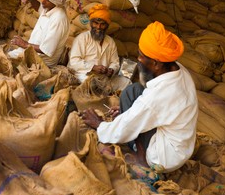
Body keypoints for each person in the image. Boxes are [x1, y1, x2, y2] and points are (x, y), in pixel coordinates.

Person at [82, 21, 198, 173]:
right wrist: (130, 110)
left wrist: (100, 125)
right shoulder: (178, 70)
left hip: (163, 158)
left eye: (141, 56)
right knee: (133, 91)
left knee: (132, 111)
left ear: (156, 64)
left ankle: (142, 157)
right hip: (181, 147)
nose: (138, 59)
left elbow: (127, 126)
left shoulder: (159, 95)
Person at [67, 4, 130, 91]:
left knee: (126, 82)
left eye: (102, 24)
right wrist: (93, 67)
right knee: (92, 84)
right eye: (95, 23)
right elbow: (74, 62)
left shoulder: (110, 42)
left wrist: (111, 70)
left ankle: (114, 101)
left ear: (107, 26)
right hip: (84, 76)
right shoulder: (82, 38)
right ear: (91, 24)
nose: (98, 27)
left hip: (104, 79)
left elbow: (115, 62)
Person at [10, 0, 69, 68]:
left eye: (47, 0)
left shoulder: (59, 19)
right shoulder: (50, 8)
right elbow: (39, 7)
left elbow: (46, 50)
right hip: (32, 53)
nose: (43, 2)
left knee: (4, 61)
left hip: (42, 61)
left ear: (55, 2)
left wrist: (24, 44)